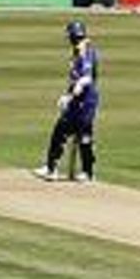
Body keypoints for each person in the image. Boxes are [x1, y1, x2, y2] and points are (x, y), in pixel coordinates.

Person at [34, 19, 99, 182]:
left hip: (86, 101)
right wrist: (68, 95)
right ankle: (51, 167)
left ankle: (87, 172)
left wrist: (74, 92)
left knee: (84, 134)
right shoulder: (78, 50)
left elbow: (87, 78)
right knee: (61, 130)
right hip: (77, 100)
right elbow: (76, 78)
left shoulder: (85, 50)